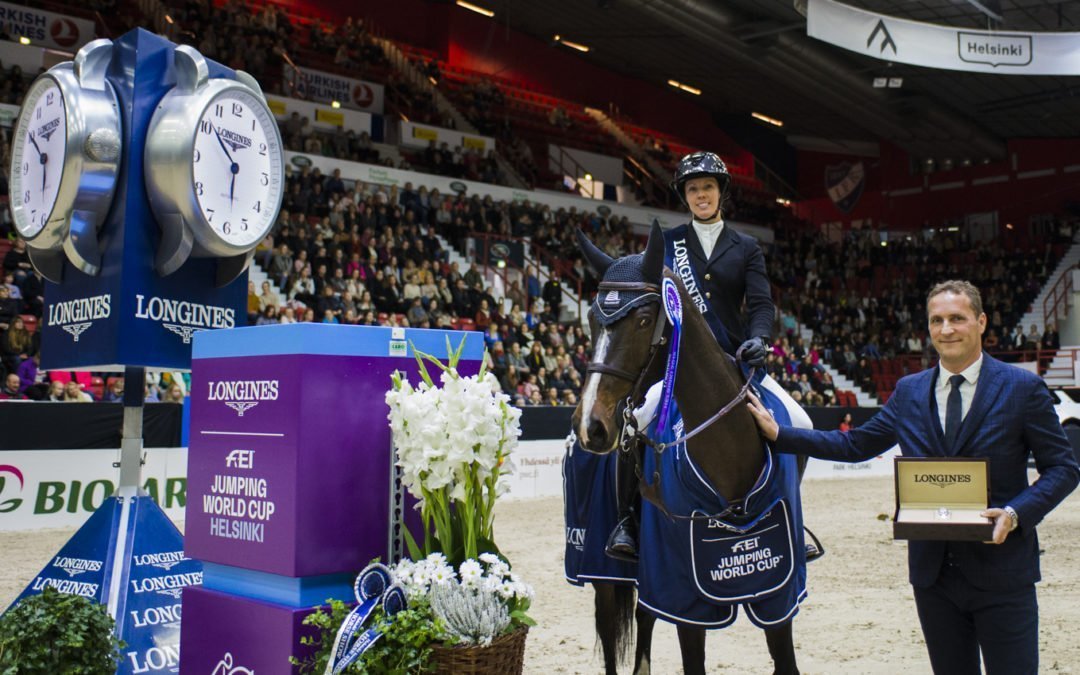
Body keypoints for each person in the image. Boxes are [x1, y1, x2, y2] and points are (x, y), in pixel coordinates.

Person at [746, 279, 1080, 674]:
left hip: (1003, 571)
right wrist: (781, 434)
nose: (946, 329)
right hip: (933, 576)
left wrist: (1015, 512)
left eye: (957, 318)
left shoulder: (1023, 388)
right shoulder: (908, 391)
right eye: (937, 320)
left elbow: (1063, 468)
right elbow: (854, 447)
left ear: (981, 322)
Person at [606, 150, 813, 561]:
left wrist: (759, 338)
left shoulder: (746, 247)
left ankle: (789, 514)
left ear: (721, 193)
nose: (701, 195)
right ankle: (627, 520)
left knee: (800, 422)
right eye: (693, 189)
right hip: (679, 361)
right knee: (636, 424)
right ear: (685, 197)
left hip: (737, 358)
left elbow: (760, 305)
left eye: (708, 188)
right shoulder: (668, 244)